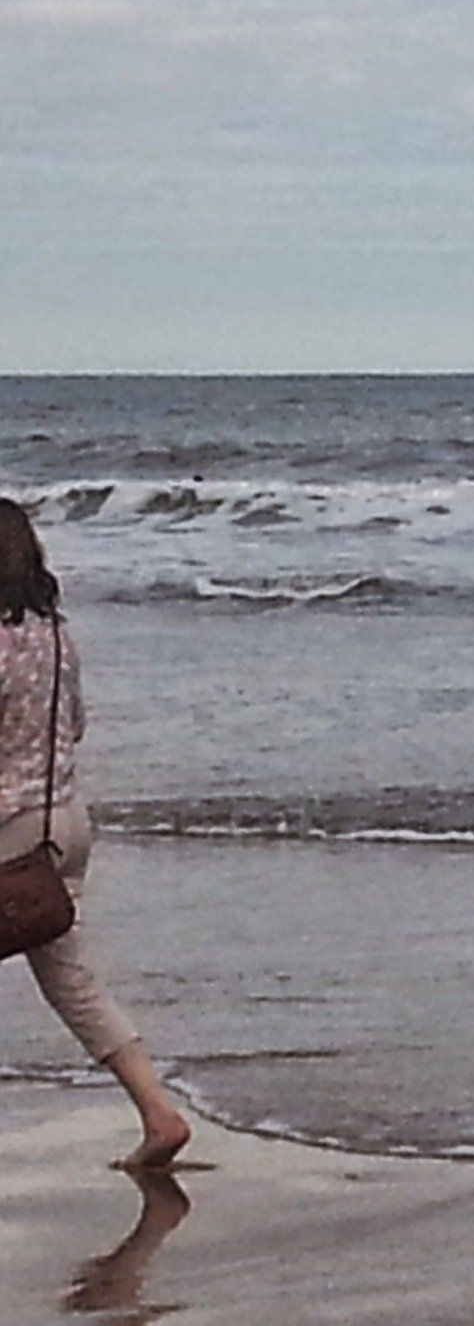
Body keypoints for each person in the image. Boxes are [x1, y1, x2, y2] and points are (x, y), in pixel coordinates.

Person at [0, 498, 190, 1172]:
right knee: (72, 982)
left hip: (7, 830)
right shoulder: (55, 636)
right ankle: (159, 1113)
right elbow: (74, 725)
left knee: (70, 980)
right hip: (63, 825)